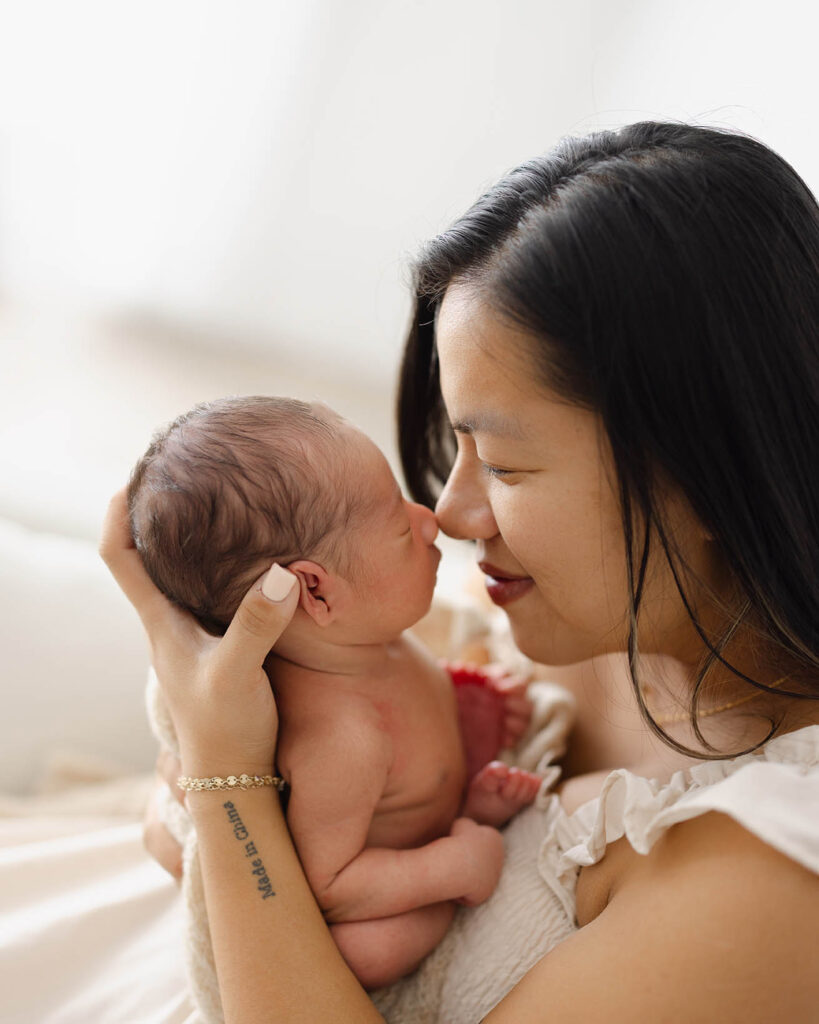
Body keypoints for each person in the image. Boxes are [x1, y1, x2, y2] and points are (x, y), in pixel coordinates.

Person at [102, 120, 819, 1022]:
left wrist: (221, 779)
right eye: (460, 445)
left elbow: (225, 816)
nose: (449, 512)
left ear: (710, 476)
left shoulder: (773, 874)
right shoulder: (579, 628)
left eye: (508, 467)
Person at [127, 394, 541, 988]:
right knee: (369, 951)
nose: (431, 518)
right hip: (366, 884)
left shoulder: (374, 640)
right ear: (317, 593)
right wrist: (449, 868)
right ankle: (461, 836)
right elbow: (330, 886)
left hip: (424, 809)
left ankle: (465, 807)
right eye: (402, 528)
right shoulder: (343, 735)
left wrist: (475, 700)